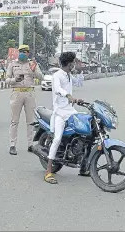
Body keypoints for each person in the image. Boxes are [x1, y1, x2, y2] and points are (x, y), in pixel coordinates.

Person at [44, 52, 84, 184]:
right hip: (60, 112)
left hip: (70, 111)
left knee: (84, 133)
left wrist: (80, 71)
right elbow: (57, 89)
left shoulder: (69, 75)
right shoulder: (57, 75)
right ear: (69, 63)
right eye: (73, 62)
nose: (74, 64)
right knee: (57, 138)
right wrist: (68, 96)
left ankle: (83, 166)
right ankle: (48, 171)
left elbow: (79, 83)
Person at [6, 44, 43, 155]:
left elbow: (40, 77)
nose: (22, 53)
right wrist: (14, 79)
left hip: (29, 93)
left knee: (30, 121)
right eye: (20, 51)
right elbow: (7, 79)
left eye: (25, 51)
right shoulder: (12, 64)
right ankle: (12, 145)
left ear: (28, 53)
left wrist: (33, 70)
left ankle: (30, 145)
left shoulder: (32, 64)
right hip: (16, 92)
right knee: (14, 121)